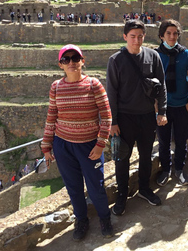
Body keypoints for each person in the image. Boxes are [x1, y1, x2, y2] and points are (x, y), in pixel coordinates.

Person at [41, 44, 113, 241]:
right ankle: (81, 221)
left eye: (75, 58)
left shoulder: (93, 84)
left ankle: (104, 219)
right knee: (73, 187)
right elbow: (51, 116)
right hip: (63, 145)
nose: (71, 62)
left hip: (89, 145)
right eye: (66, 59)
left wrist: (100, 144)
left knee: (95, 186)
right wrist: (46, 146)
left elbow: (106, 116)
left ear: (83, 61)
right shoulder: (56, 87)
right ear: (60, 65)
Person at [106, 20, 168, 215]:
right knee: (122, 160)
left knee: (146, 156)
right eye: (132, 36)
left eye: (140, 36)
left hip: (147, 115)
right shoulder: (115, 60)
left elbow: (161, 86)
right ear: (125, 37)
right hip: (125, 119)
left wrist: (162, 111)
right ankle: (122, 196)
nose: (136, 40)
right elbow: (111, 93)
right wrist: (113, 122)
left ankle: (144, 189)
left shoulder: (153, 56)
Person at [155, 20, 188, 187]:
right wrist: (157, 106)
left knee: (181, 140)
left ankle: (179, 169)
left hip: (181, 105)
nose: (172, 36)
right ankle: (165, 170)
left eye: (175, 33)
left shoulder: (186, 55)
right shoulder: (155, 55)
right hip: (163, 107)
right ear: (161, 36)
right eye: (168, 33)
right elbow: (153, 82)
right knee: (164, 141)